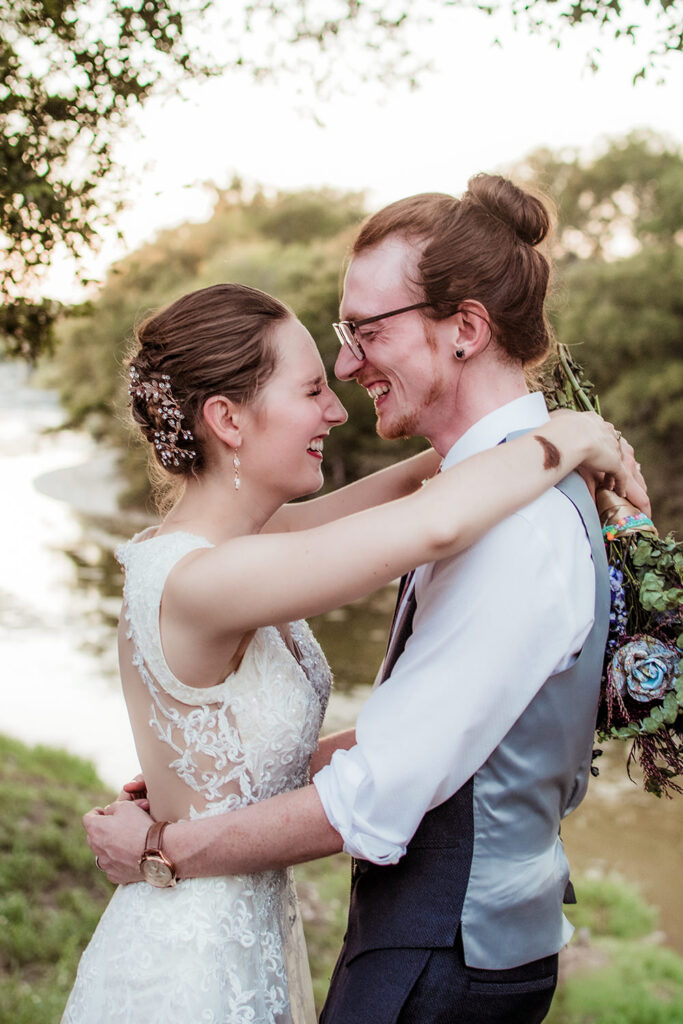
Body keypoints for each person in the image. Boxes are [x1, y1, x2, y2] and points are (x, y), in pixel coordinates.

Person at [82, 177, 645, 1024]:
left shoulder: (508, 520)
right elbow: (428, 523)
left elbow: (426, 507)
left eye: (362, 334)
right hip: (199, 959)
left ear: (465, 328)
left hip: (420, 954)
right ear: (227, 421)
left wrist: (172, 833)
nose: (341, 383)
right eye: (313, 381)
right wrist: (568, 433)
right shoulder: (213, 569)